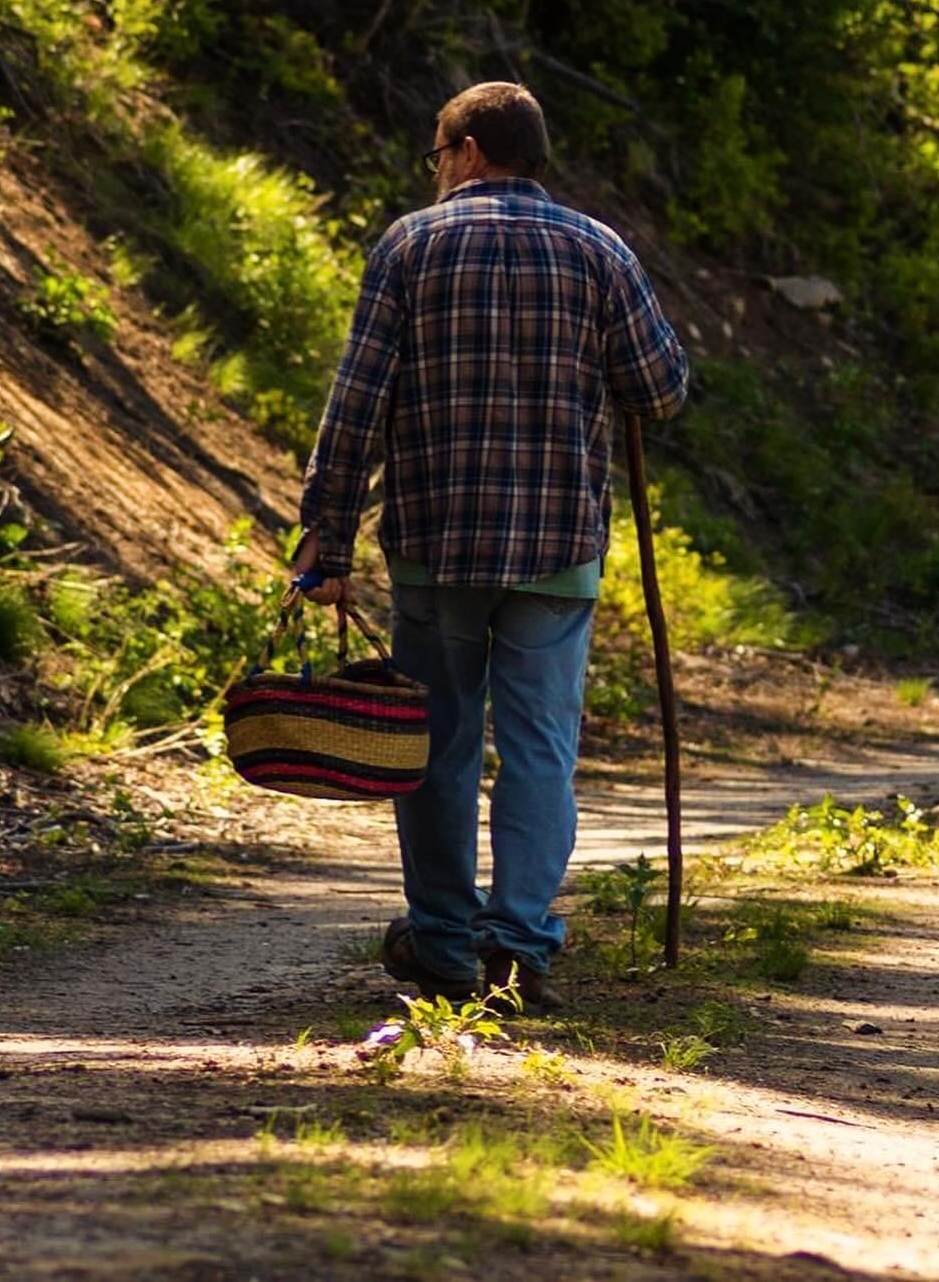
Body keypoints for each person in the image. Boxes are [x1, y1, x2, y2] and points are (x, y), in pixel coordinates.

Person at [293, 81, 689, 1008]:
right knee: (542, 746)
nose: (435, 174)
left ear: (469, 151)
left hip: (437, 539)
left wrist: (329, 535)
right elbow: (661, 389)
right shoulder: (600, 250)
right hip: (559, 548)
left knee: (437, 743)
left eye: (438, 156)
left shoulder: (410, 246)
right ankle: (517, 945)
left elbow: (357, 403)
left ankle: (440, 939)